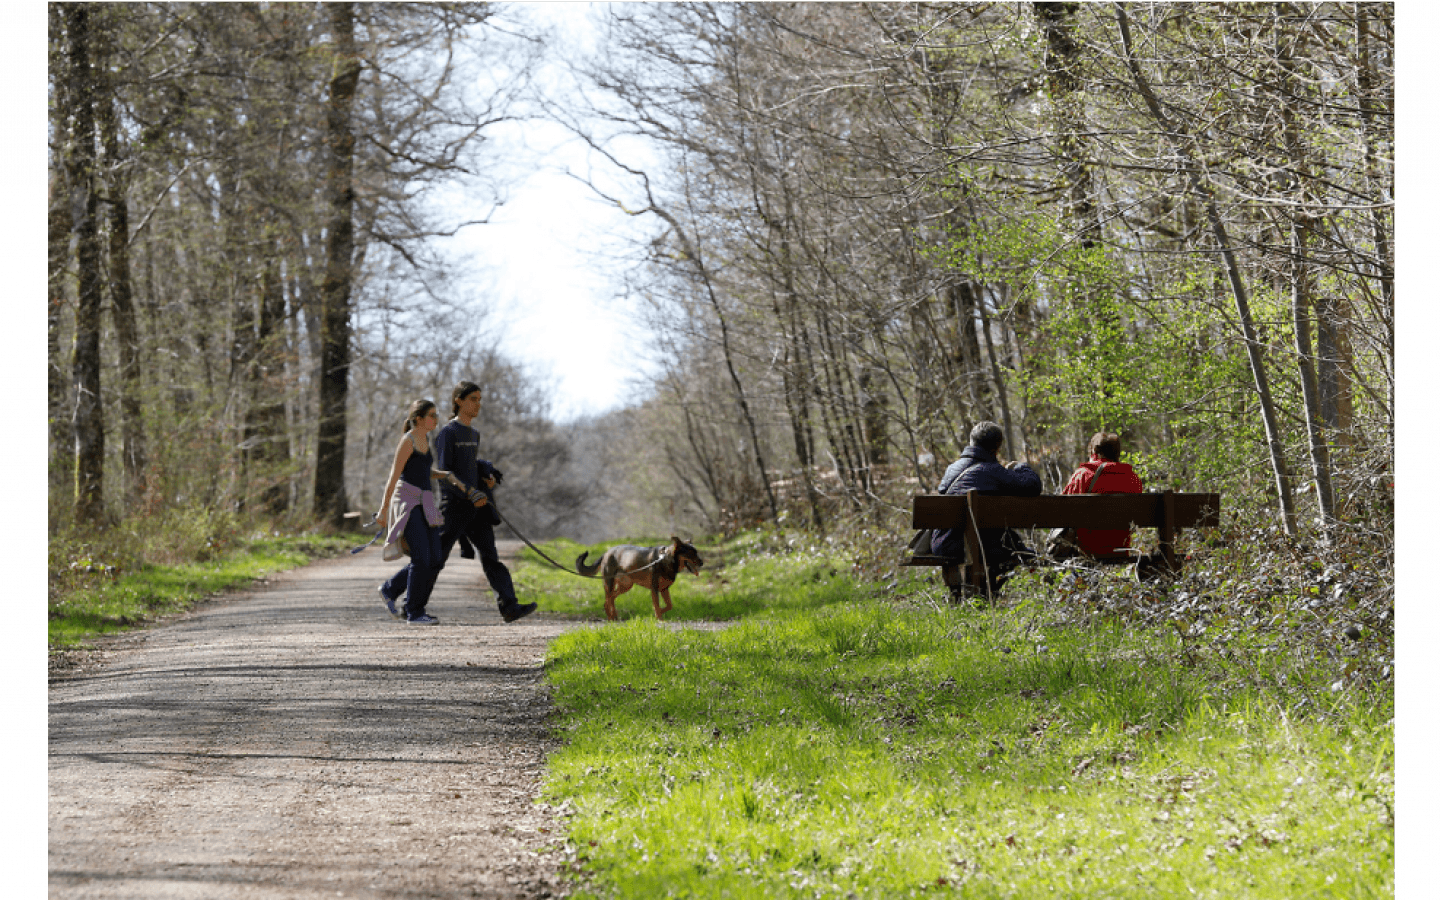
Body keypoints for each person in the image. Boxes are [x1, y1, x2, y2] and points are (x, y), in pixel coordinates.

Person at [381, 381, 537, 624]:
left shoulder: (473, 434)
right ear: (459, 401)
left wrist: (486, 476)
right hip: (453, 507)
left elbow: (468, 466)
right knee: (434, 559)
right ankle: (403, 598)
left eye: (479, 399)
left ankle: (510, 606)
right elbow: (445, 472)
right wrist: (468, 493)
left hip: (477, 508)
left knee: (490, 556)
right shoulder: (447, 433)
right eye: (473, 398)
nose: (478, 404)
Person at [930, 421, 1042, 594]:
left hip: (946, 544)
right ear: (997, 447)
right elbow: (1032, 486)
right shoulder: (994, 471)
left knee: (1003, 543)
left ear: (971, 442)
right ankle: (988, 591)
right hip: (985, 546)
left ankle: (963, 592)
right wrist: (1019, 467)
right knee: (1014, 548)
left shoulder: (952, 470)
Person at [376, 400, 446, 625]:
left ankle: (390, 588)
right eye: (432, 415)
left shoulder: (426, 439)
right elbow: (394, 476)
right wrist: (383, 510)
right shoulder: (407, 441)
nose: (436, 419)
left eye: (436, 415)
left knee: (435, 557)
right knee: (421, 557)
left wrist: (446, 475)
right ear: (418, 418)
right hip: (407, 501)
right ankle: (414, 612)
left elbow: (423, 471)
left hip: (426, 502)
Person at [1057, 431, 1145, 559]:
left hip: (1085, 551)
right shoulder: (1132, 478)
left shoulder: (1083, 475)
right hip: (1120, 550)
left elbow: (1061, 511)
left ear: (1094, 451)